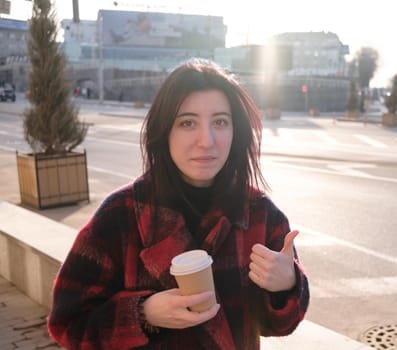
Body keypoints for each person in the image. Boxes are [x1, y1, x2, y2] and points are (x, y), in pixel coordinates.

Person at [47, 59, 310, 349]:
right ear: (164, 132)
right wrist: (143, 314)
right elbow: (68, 325)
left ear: (235, 133)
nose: (206, 140)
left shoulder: (261, 215)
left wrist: (287, 286)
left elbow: (279, 325)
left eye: (220, 122)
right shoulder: (120, 216)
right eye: (187, 123)